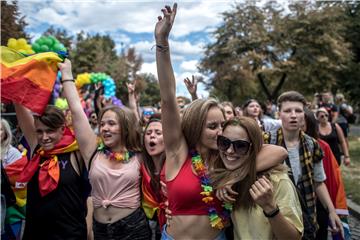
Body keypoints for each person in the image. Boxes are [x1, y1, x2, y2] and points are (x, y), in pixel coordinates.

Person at [155, 4, 288, 239]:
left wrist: (233, 176)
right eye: (212, 126)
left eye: (221, 125)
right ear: (196, 127)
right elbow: (167, 98)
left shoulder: (229, 159)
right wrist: (162, 43)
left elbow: (278, 152)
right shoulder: (179, 153)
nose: (219, 132)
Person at [59, 59, 151, 240]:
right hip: (100, 229)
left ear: (124, 128)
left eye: (111, 124)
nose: (105, 128)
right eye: (102, 124)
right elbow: (77, 111)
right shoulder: (92, 152)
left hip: (134, 228)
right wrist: (67, 75)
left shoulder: (139, 154)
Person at [264, 91, 344, 240]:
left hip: (306, 213)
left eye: (298, 111)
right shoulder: (266, 141)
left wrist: (332, 211)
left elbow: (319, 182)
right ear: (279, 114)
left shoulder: (312, 144)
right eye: (287, 111)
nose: (293, 115)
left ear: (304, 115)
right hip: (276, 214)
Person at [212, 117, 303, 239]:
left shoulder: (276, 180)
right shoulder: (223, 177)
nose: (229, 150)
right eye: (224, 142)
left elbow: (293, 238)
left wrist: (270, 208)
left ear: (254, 148)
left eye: (240, 146)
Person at [14, 104, 91, 240]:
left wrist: (89, 231)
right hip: (35, 234)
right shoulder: (37, 149)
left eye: (50, 131)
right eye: (39, 131)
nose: (44, 137)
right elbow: (19, 104)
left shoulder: (77, 153)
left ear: (62, 129)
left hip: (70, 235)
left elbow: (91, 195)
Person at [304, 109, 351, 240]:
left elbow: (330, 179)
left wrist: (332, 208)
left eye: (303, 122)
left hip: (319, 202)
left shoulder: (322, 146)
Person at [1, 118, 27, 240]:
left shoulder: (13, 153)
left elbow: (18, 181)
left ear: (6, 132)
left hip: (11, 209)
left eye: (0, 129)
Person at [141, 114, 166, 240]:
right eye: (148, 132)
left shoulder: (176, 167)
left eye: (158, 132)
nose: (152, 135)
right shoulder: (139, 167)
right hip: (146, 227)